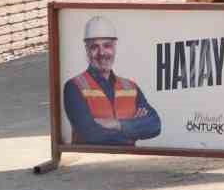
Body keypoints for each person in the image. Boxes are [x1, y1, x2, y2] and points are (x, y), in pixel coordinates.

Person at [62, 15, 161, 147]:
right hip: (91, 160)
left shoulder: (130, 87)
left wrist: (117, 124)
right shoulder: (74, 87)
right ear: (87, 50)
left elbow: (154, 125)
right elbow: (89, 134)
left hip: (128, 161)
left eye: (107, 45)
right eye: (94, 47)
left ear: (114, 47)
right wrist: (134, 129)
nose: (101, 53)